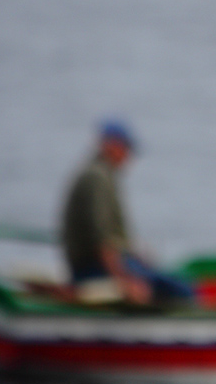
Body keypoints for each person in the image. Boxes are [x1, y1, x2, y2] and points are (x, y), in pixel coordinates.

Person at [61, 120, 190, 306]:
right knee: (181, 290)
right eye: (126, 148)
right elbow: (103, 241)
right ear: (111, 145)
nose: (128, 156)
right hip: (92, 270)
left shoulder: (101, 174)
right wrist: (126, 281)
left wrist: (135, 259)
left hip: (97, 265)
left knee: (171, 278)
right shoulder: (97, 178)